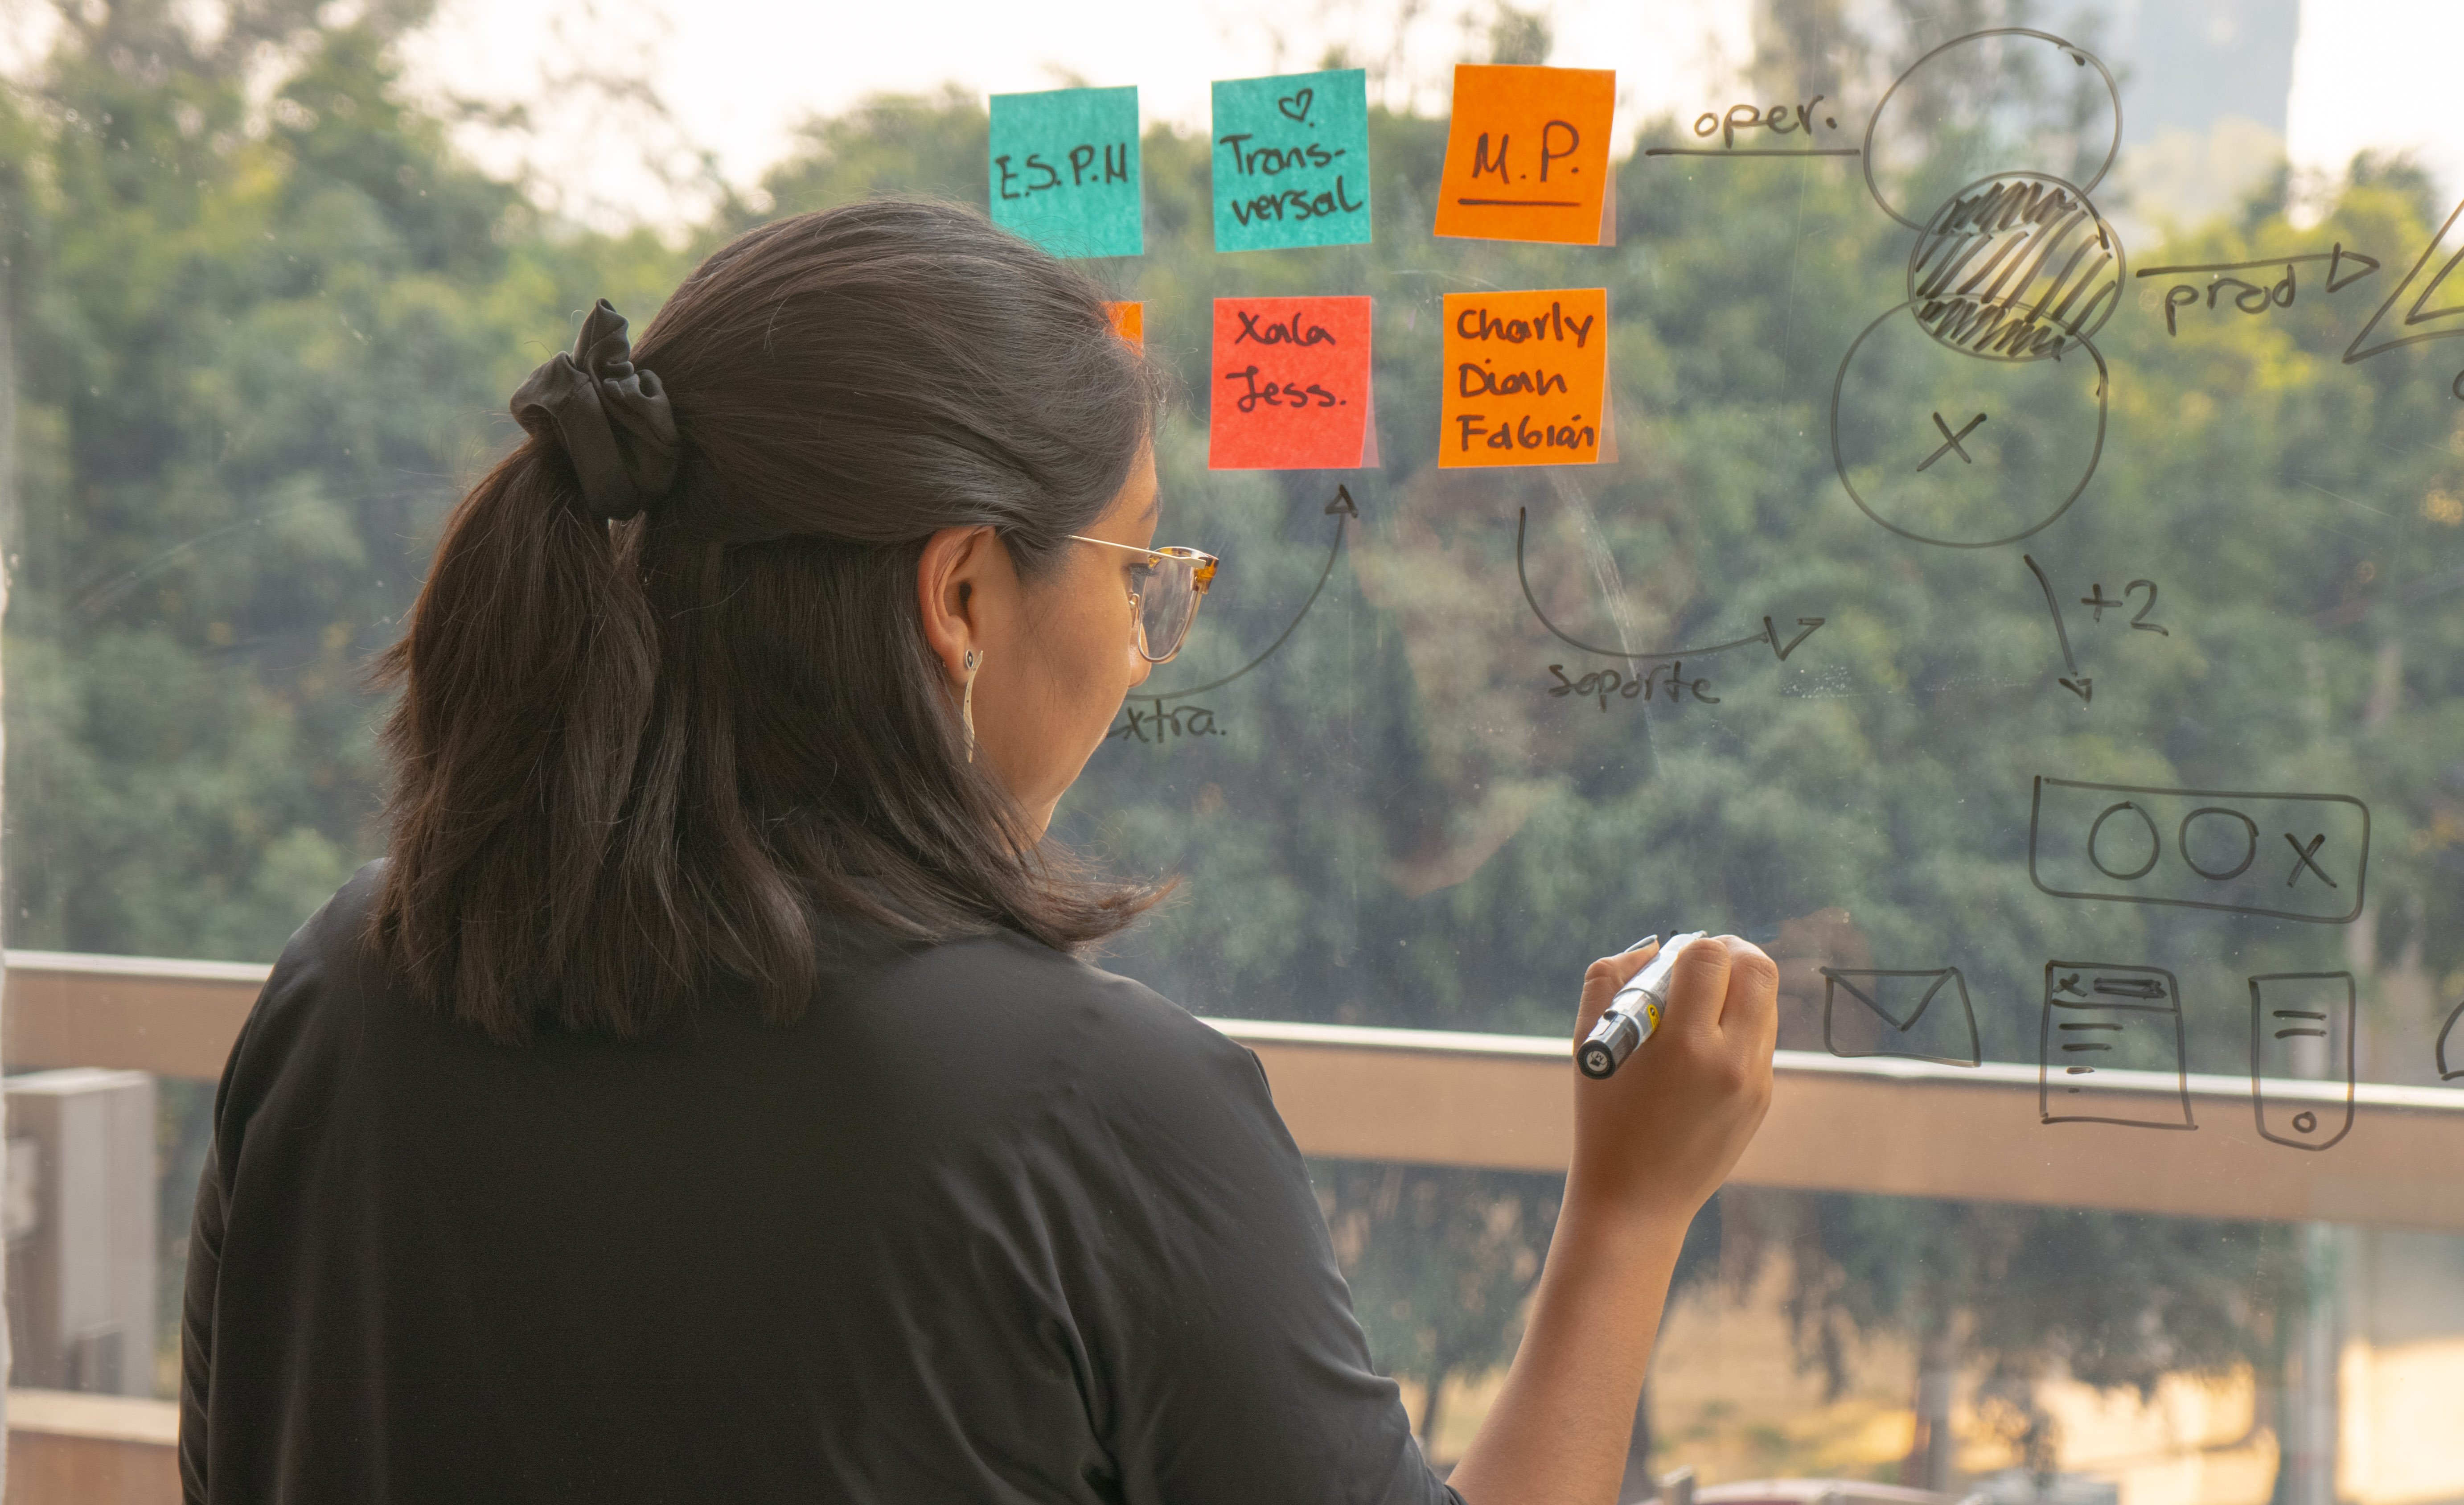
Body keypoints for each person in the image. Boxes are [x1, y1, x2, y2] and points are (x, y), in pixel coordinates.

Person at [180, 197, 1781, 1505]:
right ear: (959, 598)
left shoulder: (342, 992)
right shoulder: (1091, 1111)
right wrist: (1628, 1211)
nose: (1145, 643)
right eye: (1138, 570)